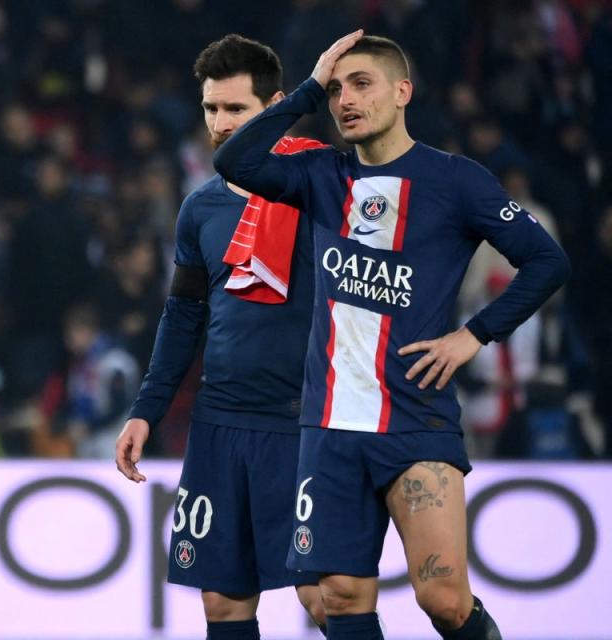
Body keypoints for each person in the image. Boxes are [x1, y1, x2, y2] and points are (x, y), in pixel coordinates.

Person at [214, 31, 570, 639]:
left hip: (414, 418)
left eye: (361, 84)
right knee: (338, 596)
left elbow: (547, 261)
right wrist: (307, 85)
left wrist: (473, 336)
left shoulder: (455, 180)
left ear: (402, 91)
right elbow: (234, 161)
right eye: (334, 90)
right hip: (328, 424)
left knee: (444, 600)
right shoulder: (318, 174)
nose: (344, 99)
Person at [116, 34, 334, 639]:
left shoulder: (325, 191)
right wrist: (146, 411)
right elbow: (183, 317)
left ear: (278, 106)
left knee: (326, 598)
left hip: (302, 423)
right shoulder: (200, 210)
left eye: (236, 109)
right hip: (219, 424)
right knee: (223, 604)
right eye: (211, 108)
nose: (219, 123)